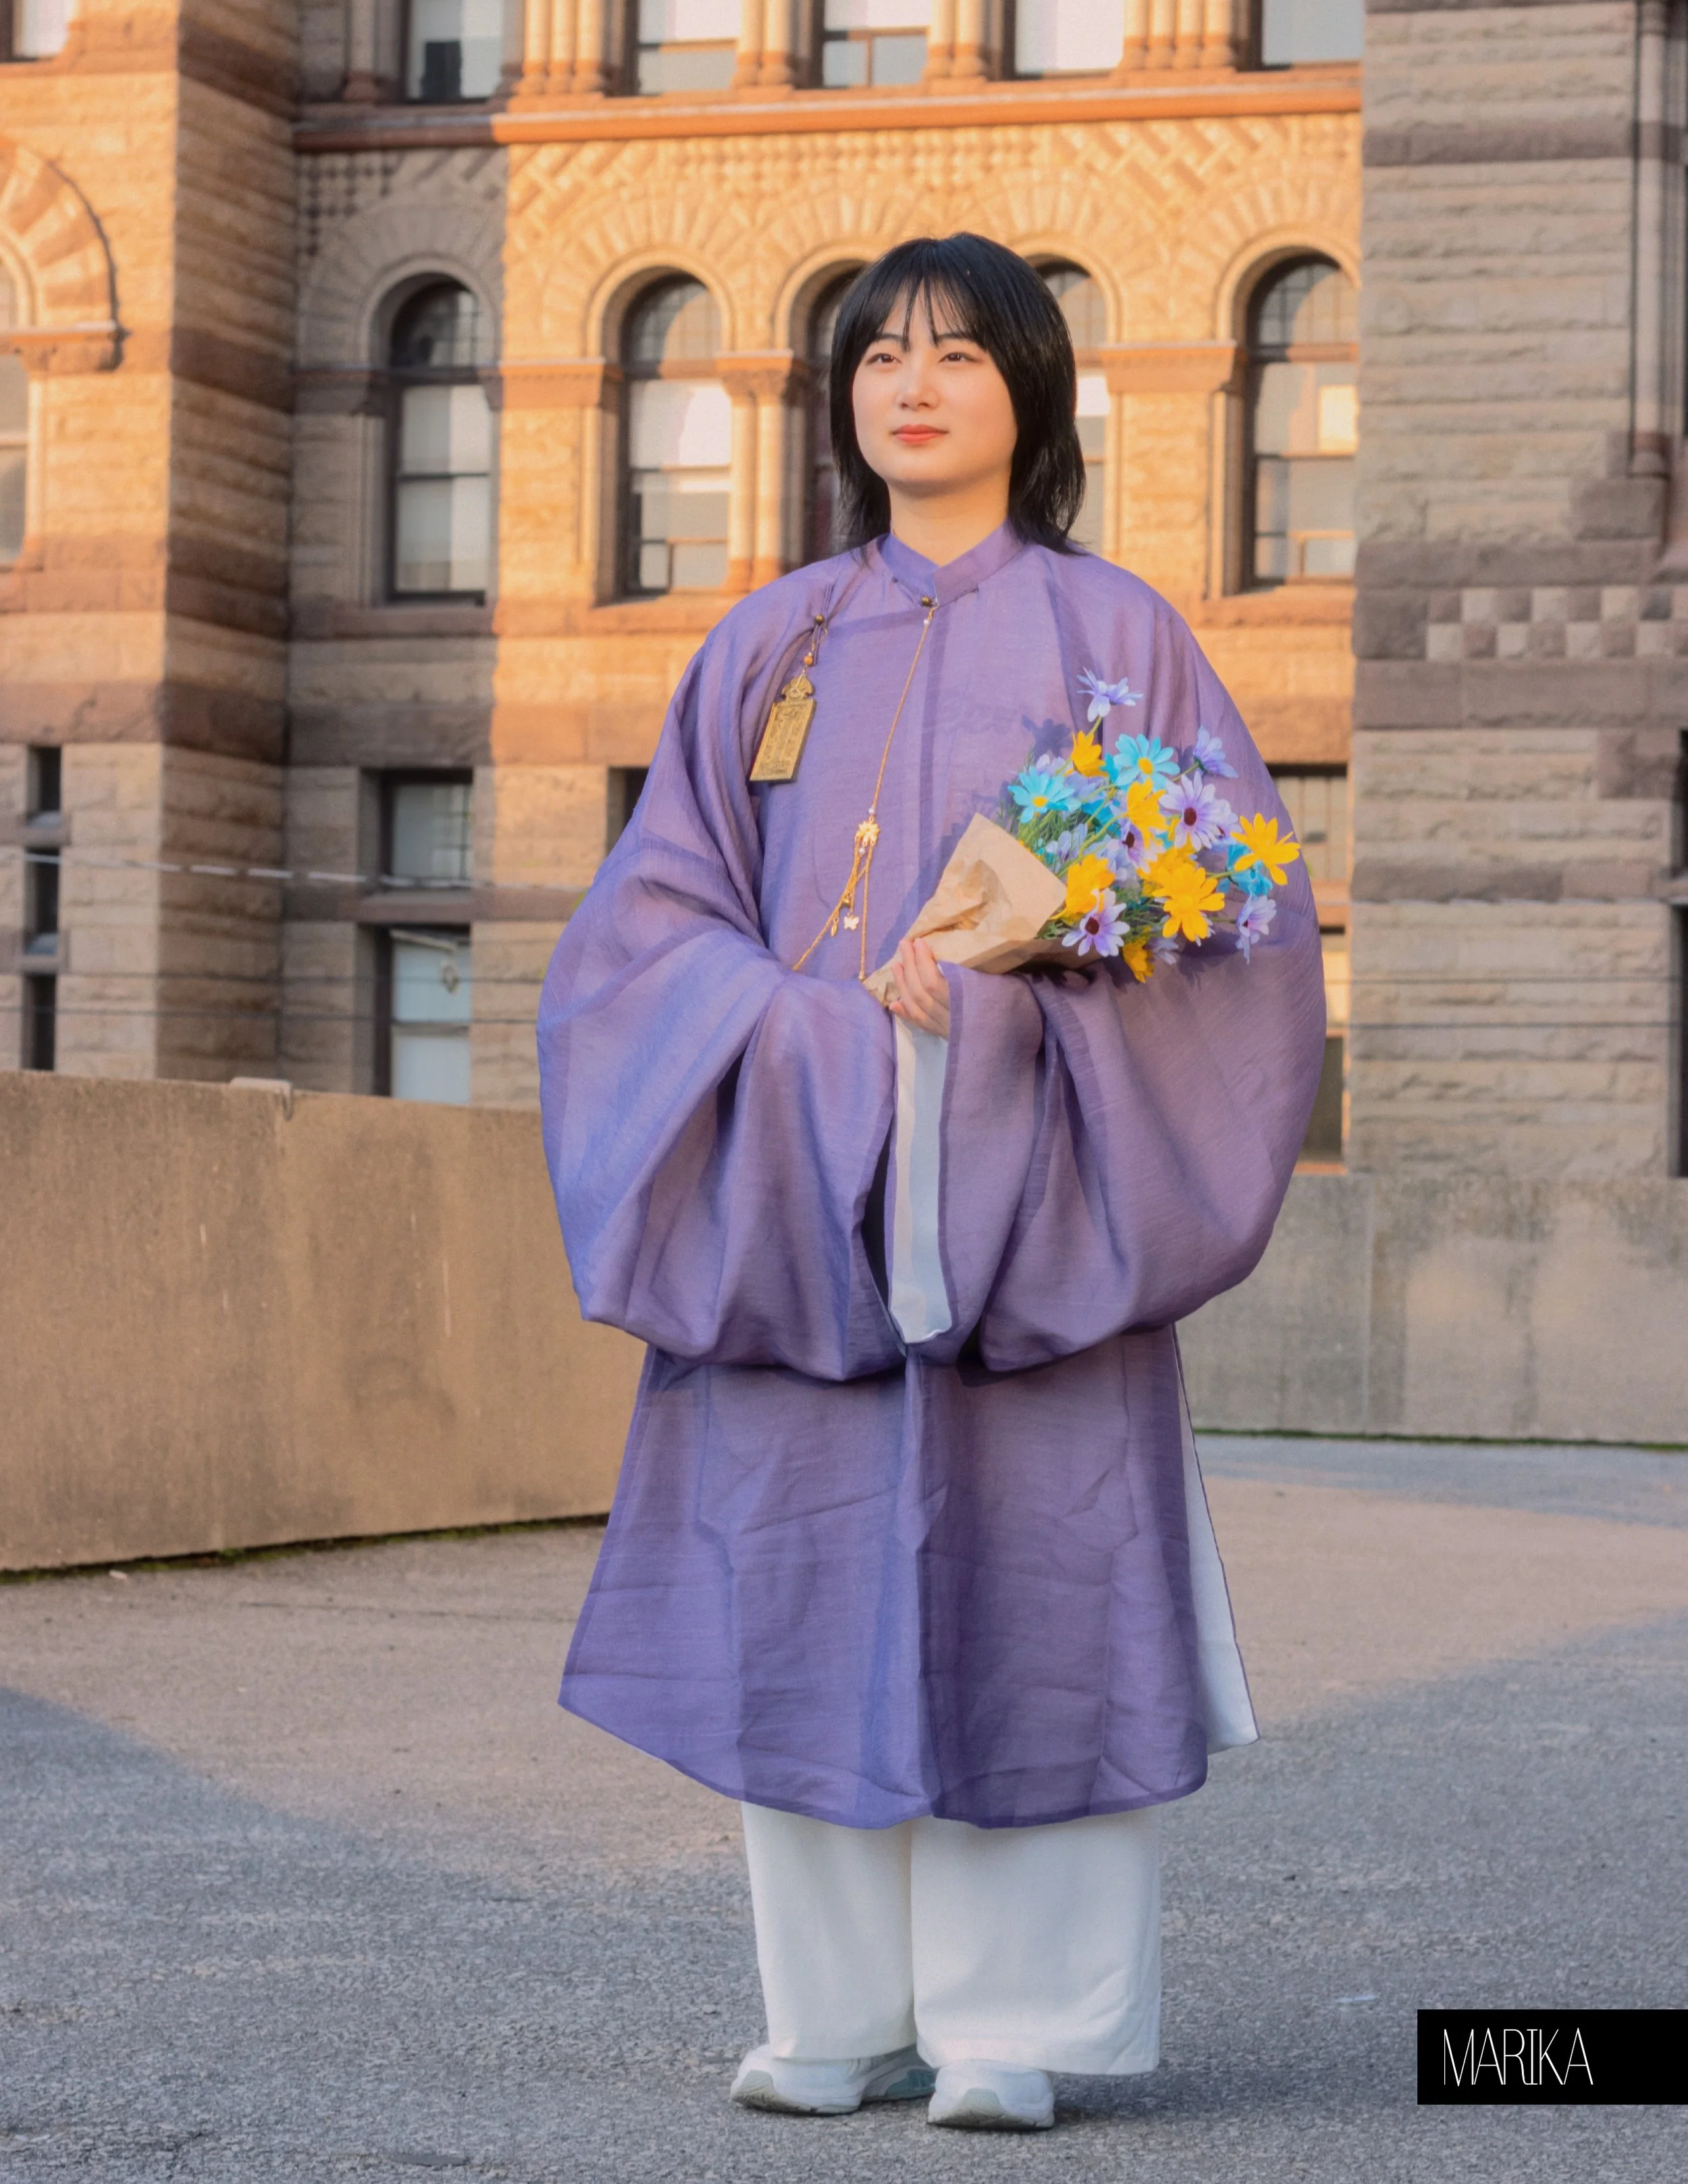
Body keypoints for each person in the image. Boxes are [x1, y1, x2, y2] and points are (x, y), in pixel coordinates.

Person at [537, 234, 1325, 2132]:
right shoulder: (766, 640)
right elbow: (648, 922)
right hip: (796, 1199)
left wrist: (1002, 1001)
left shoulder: (1115, 634)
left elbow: (1235, 923)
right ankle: (834, 2009)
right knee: (800, 1587)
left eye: (961, 356)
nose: (914, 386)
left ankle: (1012, 2022)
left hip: (1035, 1201)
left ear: (1031, 395)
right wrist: (801, 1024)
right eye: (881, 355)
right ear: (844, 400)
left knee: (1037, 1593)